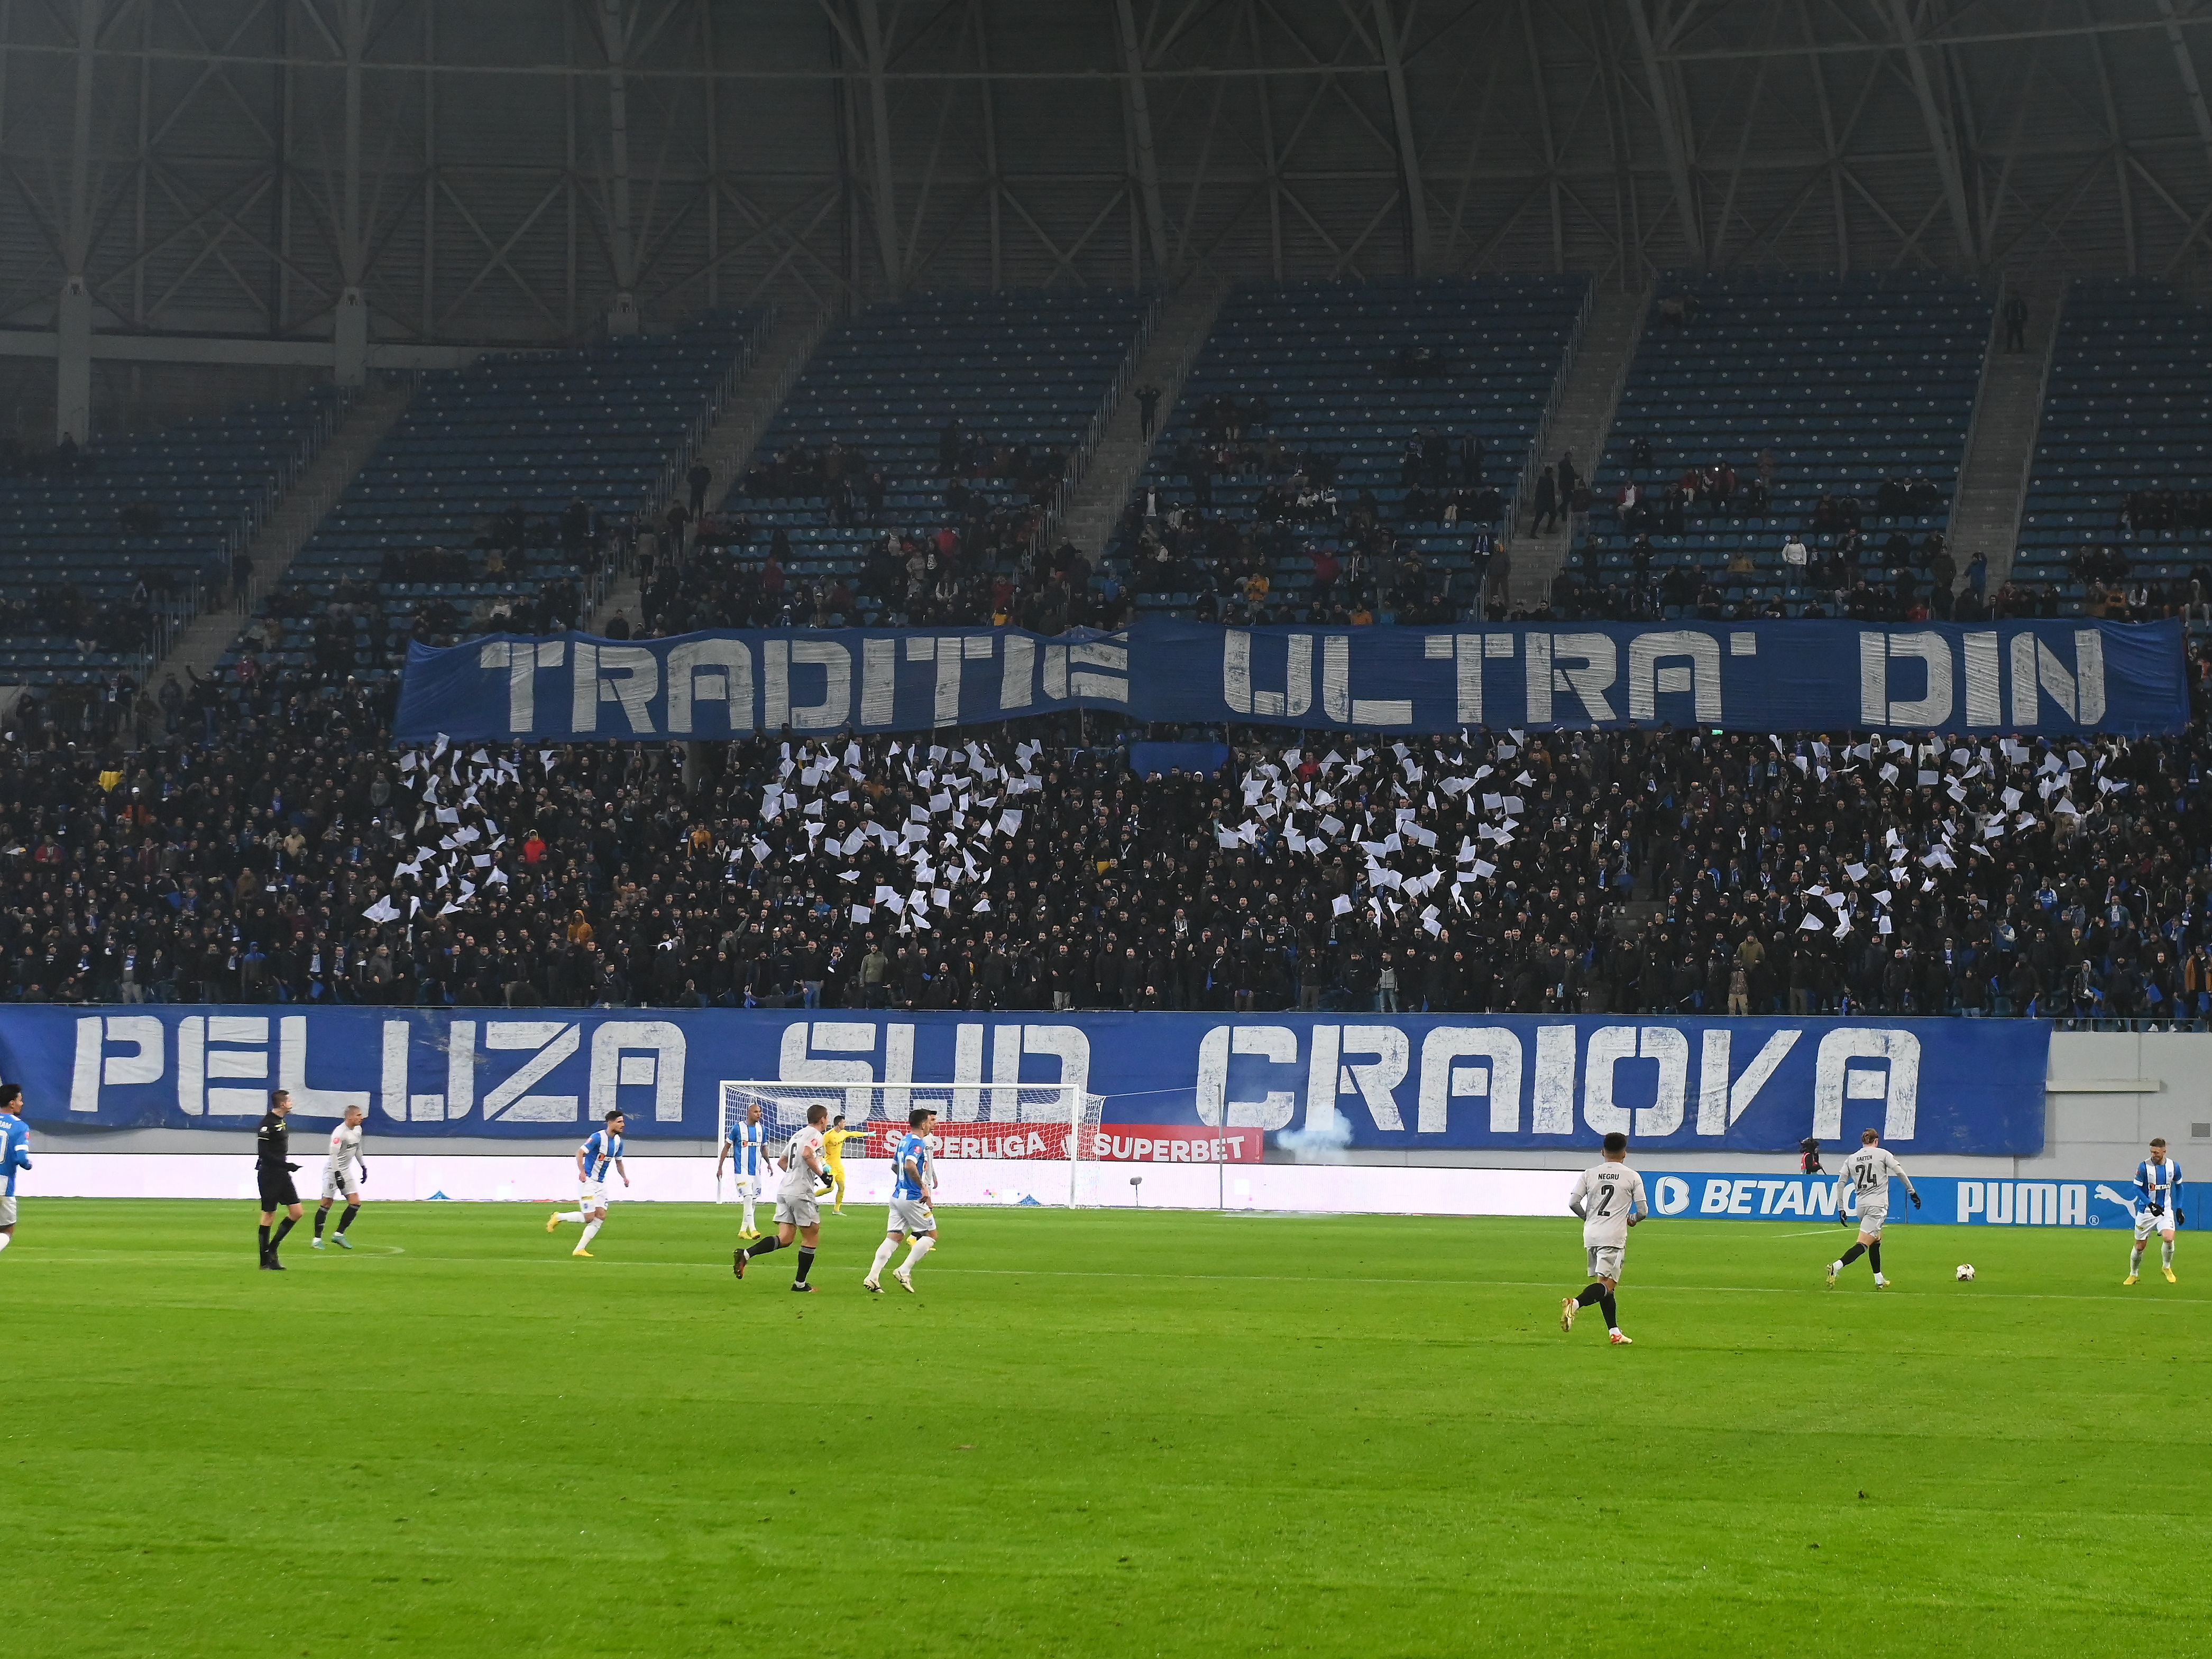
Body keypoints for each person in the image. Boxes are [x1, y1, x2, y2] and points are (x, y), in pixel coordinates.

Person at [1561, 1131, 1646, 1345]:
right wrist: (1633, 1219)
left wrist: (1588, 1219)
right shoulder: (1632, 1176)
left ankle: (1615, 1332)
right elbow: (1643, 1211)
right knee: (1609, 1285)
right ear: (1625, 1153)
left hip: (1591, 1234)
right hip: (1614, 1236)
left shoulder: (1590, 1173)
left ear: (1603, 1151)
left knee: (1604, 1285)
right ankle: (1575, 1304)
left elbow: (1573, 1203)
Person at [732, 1102, 829, 1292]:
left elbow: (782, 1162)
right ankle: (800, 1285)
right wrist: (821, 1175)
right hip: (801, 1192)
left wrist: (797, 1175)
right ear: (823, 1119)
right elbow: (808, 1154)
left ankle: (746, 1254)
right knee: (812, 1235)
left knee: (785, 1238)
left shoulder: (797, 1135)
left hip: (785, 1189)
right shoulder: (817, 1135)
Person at [1827, 1127, 1920, 1288]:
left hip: (1861, 1205)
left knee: (1876, 1239)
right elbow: (1899, 1172)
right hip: (1877, 1205)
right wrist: (1912, 1192)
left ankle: (1879, 1279)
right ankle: (1836, 1267)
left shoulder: (1852, 1158)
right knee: (1863, 1244)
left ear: (1863, 1142)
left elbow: (1841, 1183)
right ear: (1876, 1141)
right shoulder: (1883, 1153)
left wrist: (1841, 1207)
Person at [866, 1107, 940, 1294]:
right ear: (923, 1124)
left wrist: (904, 1182)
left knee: (895, 1237)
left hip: (897, 1196)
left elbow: (895, 1166)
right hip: (913, 1198)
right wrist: (923, 1187)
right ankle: (904, 1270)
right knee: (931, 1236)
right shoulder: (918, 1143)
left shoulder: (903, 1141)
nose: (932, 1125)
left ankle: (873, 1277)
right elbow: (909, 1165)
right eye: (930, 1122)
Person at [547, 1111, 627, 1257]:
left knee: (601, 1216)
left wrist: (624, 1178)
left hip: (601, 1184)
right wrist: (582, 1172)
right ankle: (558, 1217)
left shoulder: (618, 1142)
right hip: (588, 1182)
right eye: (620, 1122)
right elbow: (580, 1153)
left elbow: (619, 1162)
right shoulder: (597, 1137)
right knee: (589, 1218)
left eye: (623, 1122)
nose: (623, 1125)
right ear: (610, 1123)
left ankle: (579, 1250)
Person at [255, 1089, 304, 1270]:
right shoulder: (267, 1124)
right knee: (269, 1215)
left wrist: (285, 1167)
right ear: (282, 1104)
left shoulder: (281, 1122)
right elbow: (264, 1154)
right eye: (289, 1101)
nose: (291, 1103)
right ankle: (264, 1261)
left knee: (297, 1212)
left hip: (282, 1173)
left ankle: (272, 1249)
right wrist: (286, 1165)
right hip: (269, 1174)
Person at [2125, 1136, 2184, 1285]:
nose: (2153, 1155)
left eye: (2157, 1152)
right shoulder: (2144, 1167)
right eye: (2152, 1152)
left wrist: (2179, 1208)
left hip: (2165, 1210)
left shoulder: (2174, 1167)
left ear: (2164, 1151)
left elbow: (2179, 1187)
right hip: (2146, 1212)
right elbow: (2136, 1189)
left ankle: (2166, 1267)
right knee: (2140, 1247)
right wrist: (2150, 1204)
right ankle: (2134, 1274)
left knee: (2169, 1238)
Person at [311, 1101, 368, 1250]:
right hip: (332, 1171)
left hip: (346, 1171)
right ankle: (317, 1240)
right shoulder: (339, 1133)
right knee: (326, 1203)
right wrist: (337, 1175)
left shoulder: (358, 1130)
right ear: (350, 1117)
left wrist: (363, 1166)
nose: (362, 1118)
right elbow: (333, 1155)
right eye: (359, 1115)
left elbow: (357, 1148)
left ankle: (339, 1234)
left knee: (355, 1203)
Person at [717, 1100, 768, 1240]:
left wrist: (769, 1163)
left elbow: (764, 1148)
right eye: (756, 1112)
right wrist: (720, 1167)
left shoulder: (762, 1130)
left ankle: (742, 1231)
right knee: (748, 1198)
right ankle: (753, 1230)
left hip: (756, 1171)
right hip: (742, 1171)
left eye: (760, 1112)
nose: (759, 1114)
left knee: (754, 1201)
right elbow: (726, 1148)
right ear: (749, 1113)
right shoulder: (737, 1129)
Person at [0, 1083, 29, 1255]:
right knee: (7, 1230)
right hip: (4, 1186)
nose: (22, 1103)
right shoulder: (20, 1127)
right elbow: (21, 1158)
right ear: (12, 1103)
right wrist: (29, 1165)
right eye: (20, 1100)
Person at [820, 1112, 862, 1215]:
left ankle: (837, 1210)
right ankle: (810, 1196)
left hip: (839, 1167)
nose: (845, 1124)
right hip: (830, 1167)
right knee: (830, 1188)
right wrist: (824, 1164)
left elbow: (854, 1133)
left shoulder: (843, 1133)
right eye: (844, 1122)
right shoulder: (828, 1135)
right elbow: (819, 1150)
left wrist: (867, 1134)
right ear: (839, 1123)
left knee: (842, 1187)